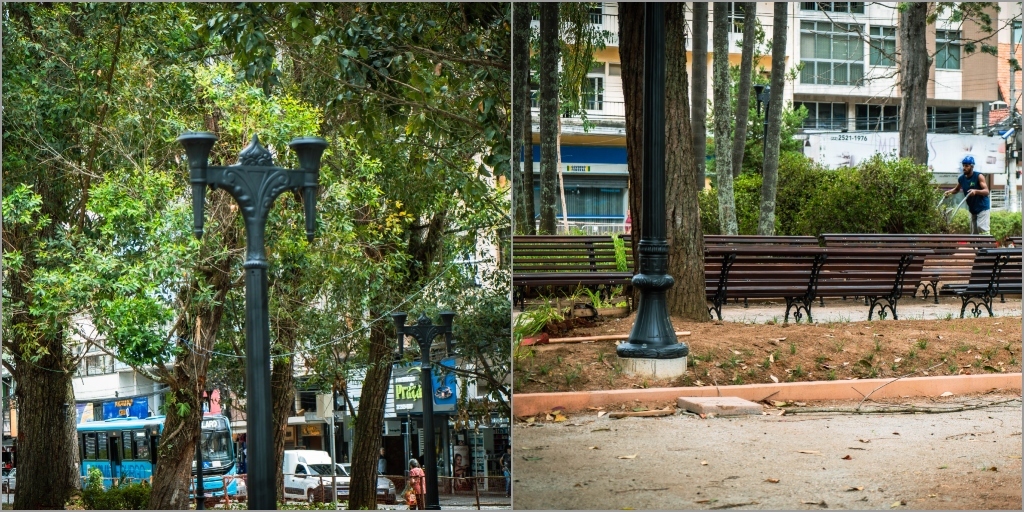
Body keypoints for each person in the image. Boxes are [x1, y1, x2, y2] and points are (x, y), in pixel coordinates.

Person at [945, 155, 991, 234]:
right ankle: (977, 246)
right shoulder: (961, 178)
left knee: (982, 228)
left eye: (966, 166)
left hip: (982, 207)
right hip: (973, 209)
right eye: (963, 165)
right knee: (974, 232)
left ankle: (987, 245)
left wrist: (976, 191)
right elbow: (956, 189)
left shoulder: (979, 176)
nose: (964, 168)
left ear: (972, 166)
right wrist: (949, 192)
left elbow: (986, 191)